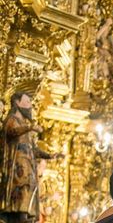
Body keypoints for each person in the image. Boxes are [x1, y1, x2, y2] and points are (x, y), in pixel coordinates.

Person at [0, 92, 63, 223]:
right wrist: (30, 127)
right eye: (27, 102)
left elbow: (33, 149)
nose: (30, 106)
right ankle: (19, 214)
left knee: (29, 189)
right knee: (20, 190)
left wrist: (50, 155)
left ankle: (25, 215)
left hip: (28, 166)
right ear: (17, 103)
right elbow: (12, 131)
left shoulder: (25, 126)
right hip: (16, 166)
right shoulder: (12, 120)